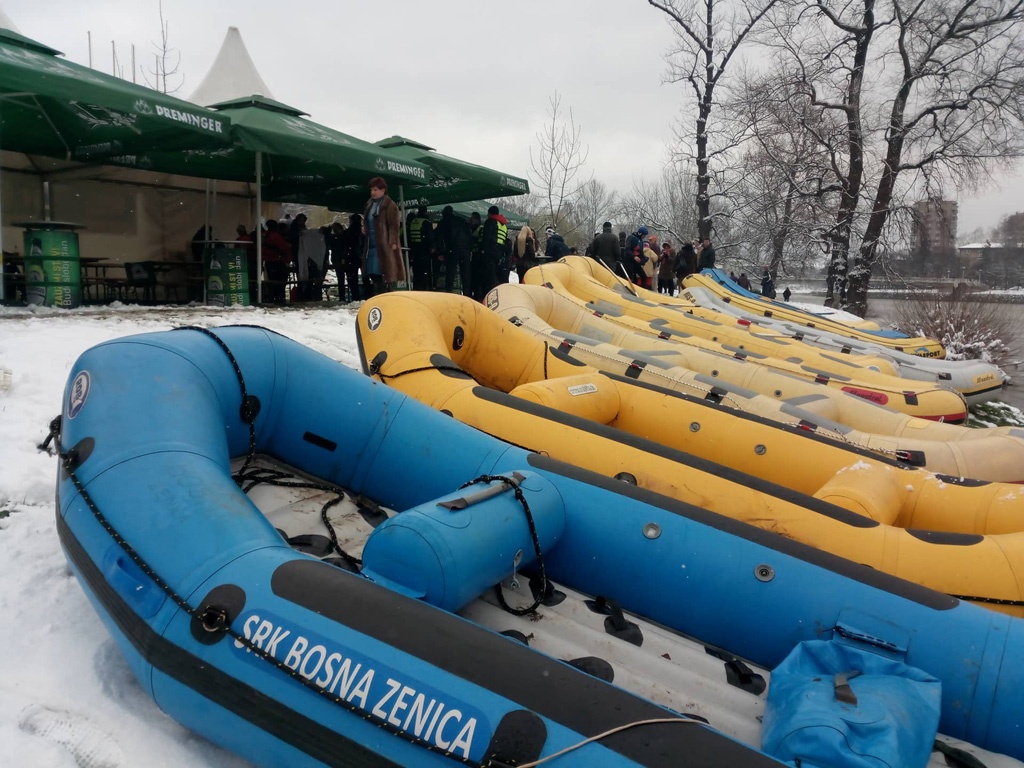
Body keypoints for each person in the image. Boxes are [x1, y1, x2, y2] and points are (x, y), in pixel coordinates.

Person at [362, 177, 403, 297]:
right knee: (371, 271)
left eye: (375, 190)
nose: (373, 192)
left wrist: (393, 241)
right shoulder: (369, 204)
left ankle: (384, 294)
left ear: (383, 190)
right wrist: (364, 227)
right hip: (371, 243)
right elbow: (368, 220)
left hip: (385, 244)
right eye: (371, 190)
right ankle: (379, 293)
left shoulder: (389, 205)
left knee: (383, 271)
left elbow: (394, 225)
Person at [472, 205, 508, 301]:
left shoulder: (490, 222)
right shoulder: (503, 225)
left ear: (490, 213)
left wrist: (483, 249)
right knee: (495, 275)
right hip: (499, 253)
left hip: (489, 253)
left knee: (488, 277)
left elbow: (486, 237)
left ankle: (487, 297)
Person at [436, 205, 473, 295]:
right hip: (465, 249)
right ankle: (467, 294)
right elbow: (469, 235)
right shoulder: (461, 220)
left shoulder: (444, 222)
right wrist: (470, 249)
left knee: (451, 272)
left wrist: (440, 252)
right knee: (465, 273)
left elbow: (439, 237)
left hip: (452, 249)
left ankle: (449, 293)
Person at [260, 220, 291, 304]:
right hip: (277, 261)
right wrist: (287, 259)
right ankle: (279, 297)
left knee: (271, 280)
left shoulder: (265, 236)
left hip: (269, 261)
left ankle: (272, 297)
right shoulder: (275, 236)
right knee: (280, 281)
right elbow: (284, 248)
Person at [407, 204, 435, 291]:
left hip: (414, 248)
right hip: (424, 249)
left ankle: (416, 288)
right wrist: (432, 247)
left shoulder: (413, 221)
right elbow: (430, 236)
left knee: (416, 271)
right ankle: (424, 289)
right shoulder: (426, 222)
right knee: (424, 271)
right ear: (425, 211)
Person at [338, 214, 364, 302]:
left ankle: (355, 297)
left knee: (352, 280)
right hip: (363, 256)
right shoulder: (363, 232)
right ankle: (368, 294)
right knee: (366, 277)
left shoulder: (347, 233)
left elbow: (342, 246)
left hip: (350, 257)